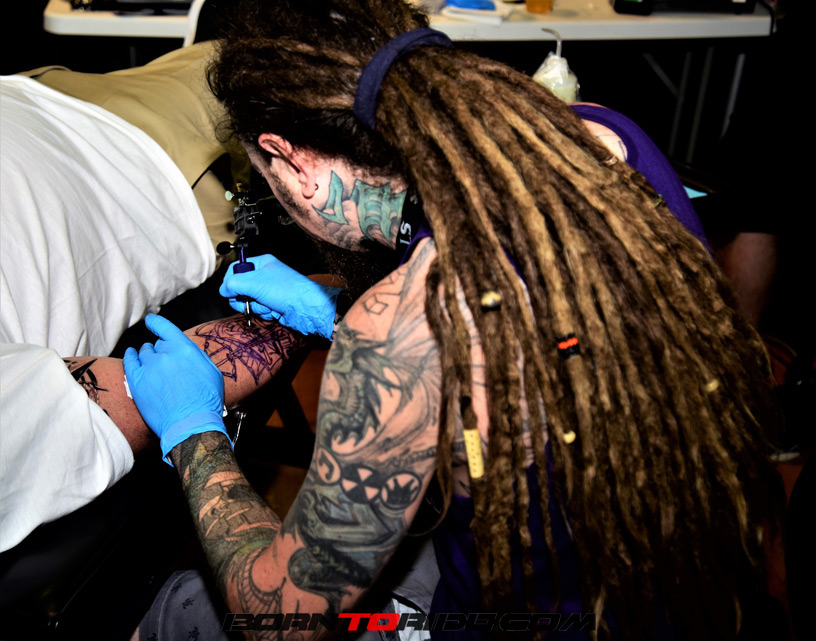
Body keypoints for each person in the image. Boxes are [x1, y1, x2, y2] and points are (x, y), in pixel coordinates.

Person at [123, 1, 784, 639]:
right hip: (687, 592)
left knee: (176, 608)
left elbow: (284, 614)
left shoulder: (406, 321)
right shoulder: (596, 136)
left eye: (268, 180)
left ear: (293, 160)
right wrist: (335, 311)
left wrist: (193, 430)